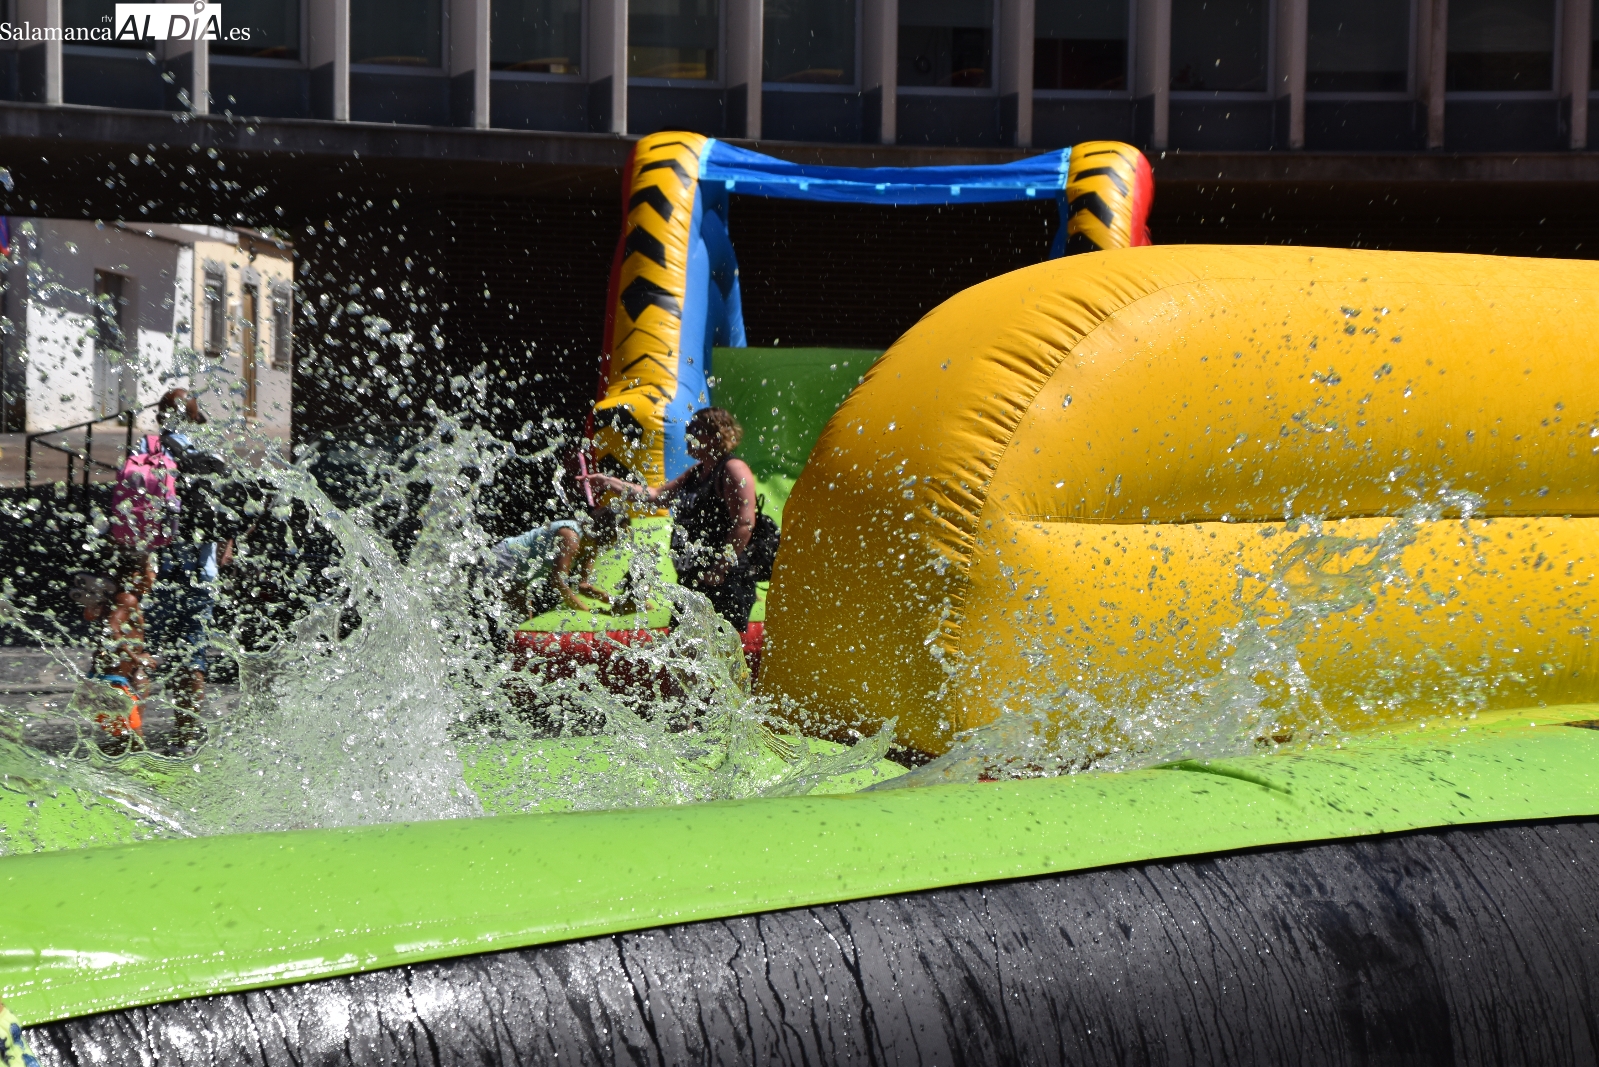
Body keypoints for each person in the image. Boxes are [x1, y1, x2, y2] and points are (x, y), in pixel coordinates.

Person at [583, 406, 760, 629]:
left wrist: (719, 570)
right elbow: (655, 496)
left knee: (720, 651)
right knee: (682, 650)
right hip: (694, 580)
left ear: (715, 435)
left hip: (725, 580)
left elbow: (744, 523)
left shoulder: (733, 469)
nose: (688, 437)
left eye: (695, 431)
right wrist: (608, 481)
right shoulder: (696, 472)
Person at [144, 388, 232, 750]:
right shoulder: (211, 456)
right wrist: (225, 548)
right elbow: (229, 514)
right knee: (192, 654)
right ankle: (184, 735)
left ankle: (124, 734)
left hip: (155, 570)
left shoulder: (147, 453)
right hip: (201, 571)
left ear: (161, 418)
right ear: (195, 420)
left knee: (140, 650)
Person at [71, 550, 156, 746]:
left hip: (119, 678)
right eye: (151, 570)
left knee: (126, 735)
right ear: (136, 575)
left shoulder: (120, 598)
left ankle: (125, 764)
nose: (154, 576)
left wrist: (138, 658)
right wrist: (135, 657)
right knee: (134, 738)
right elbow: (112, 629)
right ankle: (138, 768)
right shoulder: (127, 599)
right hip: (114, 681)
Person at [491, 505, 626, 618]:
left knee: (522, 621)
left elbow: (583, 586)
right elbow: (558, 581)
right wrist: (585, 612)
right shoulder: (570, 536)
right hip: (505, 559)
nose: (619, 540)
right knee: (520, 622)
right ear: (607, 529)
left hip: (521, 572)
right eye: (619, 534)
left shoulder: (592, 546)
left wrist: (609, 599)